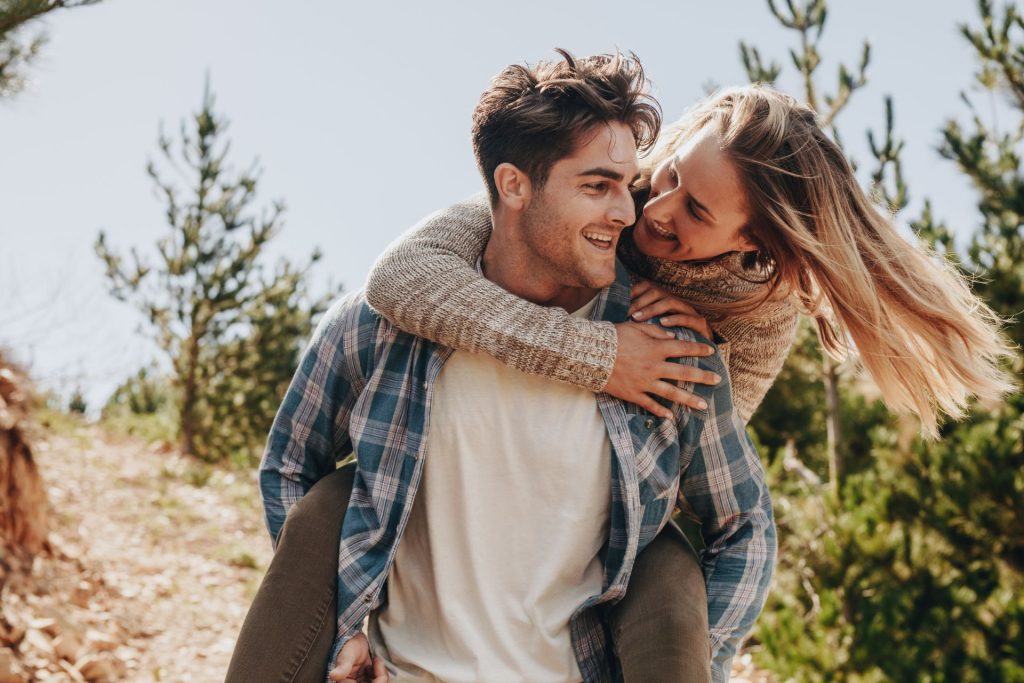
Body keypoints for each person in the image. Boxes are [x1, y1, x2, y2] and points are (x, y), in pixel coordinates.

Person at [227, 50, 774, 683]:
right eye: (597, 187)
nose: (629, 214)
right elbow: (291, 463)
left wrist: (706, 657)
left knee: (669, 560)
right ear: (513, 185)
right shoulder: (390, 323)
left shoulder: (667, 351)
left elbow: (745, 524)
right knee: (329, 499)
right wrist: (344, 630)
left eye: (628, 185)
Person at [364, 84, 1014, 436]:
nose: (655, 209)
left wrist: (705, 356)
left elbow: (704, 462)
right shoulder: (608, 192)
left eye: (698, 212)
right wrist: (603, 354)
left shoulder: (758, 309)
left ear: (753, 244)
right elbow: (404, 276)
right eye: (670, 175)